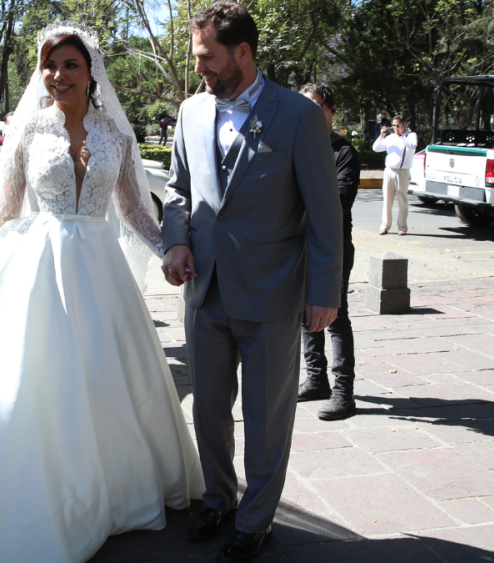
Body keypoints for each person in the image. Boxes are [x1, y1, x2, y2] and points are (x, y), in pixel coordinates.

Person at [0, 26, 203, 563]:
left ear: (91, 71)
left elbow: (135, 210)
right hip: (38, 270)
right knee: (37, 377)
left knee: (104, 373)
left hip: (99, 270)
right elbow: (3, 213)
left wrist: (169, 247)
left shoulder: (117, 139)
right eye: (49, 65)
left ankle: (117, 486)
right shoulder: (25, 133)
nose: (58, 76)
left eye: (70, 65)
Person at [162, 3, 342, 560]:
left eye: (208, 59)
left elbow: (323, 213)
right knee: (209, 411)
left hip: (272, 294)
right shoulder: (192, 112)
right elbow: (177, 189)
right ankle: (217, 499)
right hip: (205, 290)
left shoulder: (298, 116)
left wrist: (324, 292)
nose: (201, 71)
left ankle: (257, 519)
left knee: (267, 418)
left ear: (243, 52)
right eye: (197, 60)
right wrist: (176, 240)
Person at [297, 83, 360, 420]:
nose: (310, 112)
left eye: (317, 105)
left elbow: (338, 202)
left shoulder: (343, 152)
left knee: (335, 317)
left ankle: (344, 393)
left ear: (332, 110)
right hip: (299, 243)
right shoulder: (296, 147)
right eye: (304, 105)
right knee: (306, 316)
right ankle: (316, 379)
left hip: (332, 247)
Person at [373, 114, 416, 235]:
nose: (395, 127)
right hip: (389, 171)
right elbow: (376, 148)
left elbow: (412, 145)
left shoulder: (410, 136)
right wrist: (382, 136)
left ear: (404, 125)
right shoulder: (390, 138)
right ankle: (385, 226)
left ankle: (402, 226)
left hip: (402, 171)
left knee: (402, 199)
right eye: (393, 125)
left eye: (397, 125)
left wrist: (400, 136)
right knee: (387, 199)